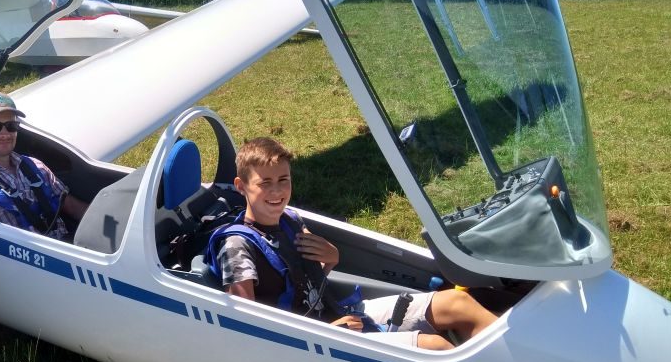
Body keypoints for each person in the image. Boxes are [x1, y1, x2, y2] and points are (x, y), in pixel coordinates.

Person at [207, 137, 497, 350]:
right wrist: (326, 333)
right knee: (436, 348)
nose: (277, 191)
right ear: (240, 186)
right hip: (310, 339)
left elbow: (302, 279)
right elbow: (246, 324)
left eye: (284, 179)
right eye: (264, 183)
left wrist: (331, 259)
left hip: (338, 314)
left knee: (456, 302)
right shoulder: (236, 247)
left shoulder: (290, 220)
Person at [0, 91, 88, 241]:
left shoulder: (36, 166)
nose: (5, 134)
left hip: (68, 244)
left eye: (11, 126)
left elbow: (71, 206)